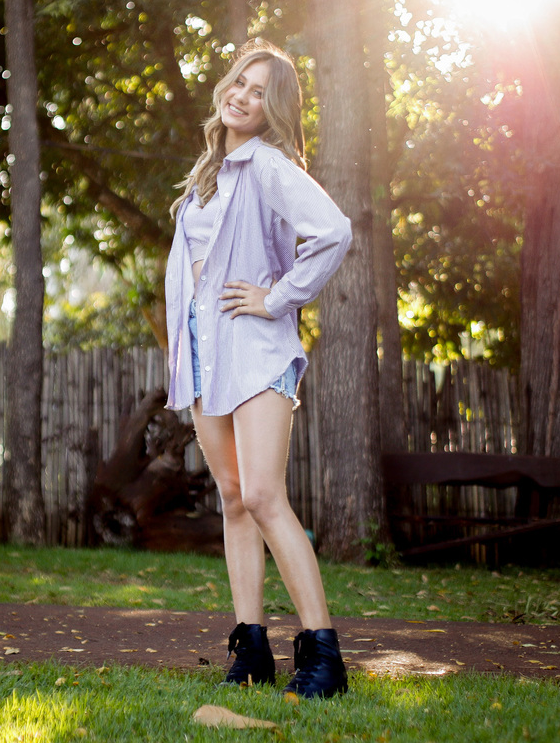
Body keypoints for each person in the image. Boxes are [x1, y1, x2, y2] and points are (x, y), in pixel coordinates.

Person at [164, 40, 353, 699]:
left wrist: (275, 298)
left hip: (257, 348)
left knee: (266, 496)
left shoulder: (268, 164)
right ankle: (251, 651)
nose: (242, 96)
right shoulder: (210, 171)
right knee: (234, 498)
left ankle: (323, 656)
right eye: (238, 83)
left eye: (258, 91)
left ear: (273, 108)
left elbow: (333, 231)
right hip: (206, 351)